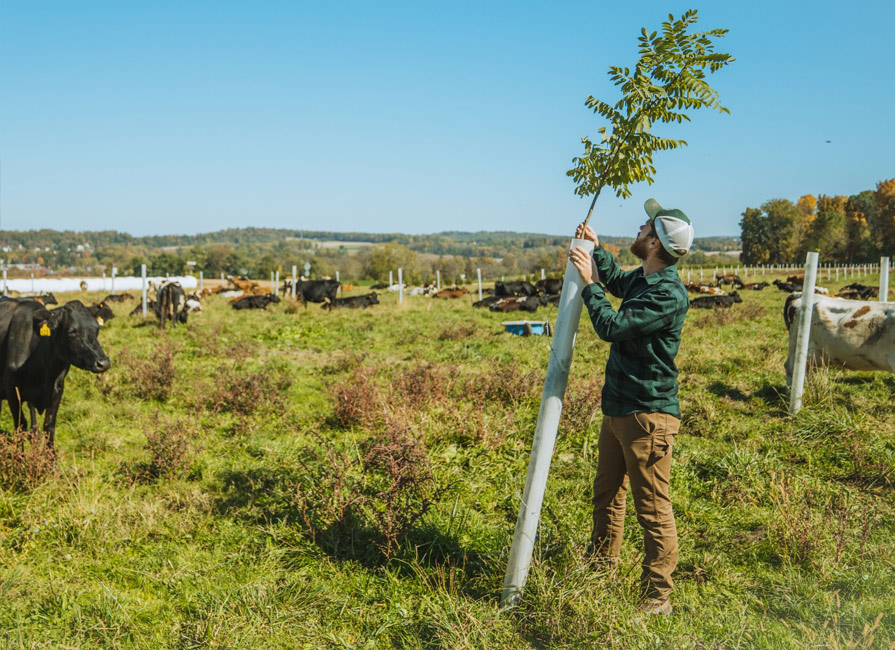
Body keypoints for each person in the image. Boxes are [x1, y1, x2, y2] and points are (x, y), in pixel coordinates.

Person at [568, 198, 694, 616]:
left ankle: (658, 597)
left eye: (645, 227)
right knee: (606, 496)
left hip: (648, 416)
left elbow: (611, 326)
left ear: (655, 242)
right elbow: (619, 284)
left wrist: (589, 285)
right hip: (619, 408)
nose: (639, 228)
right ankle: (600, 570)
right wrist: (597, 249)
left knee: (652, 508)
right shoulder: (644, 277)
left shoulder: (668, 294)